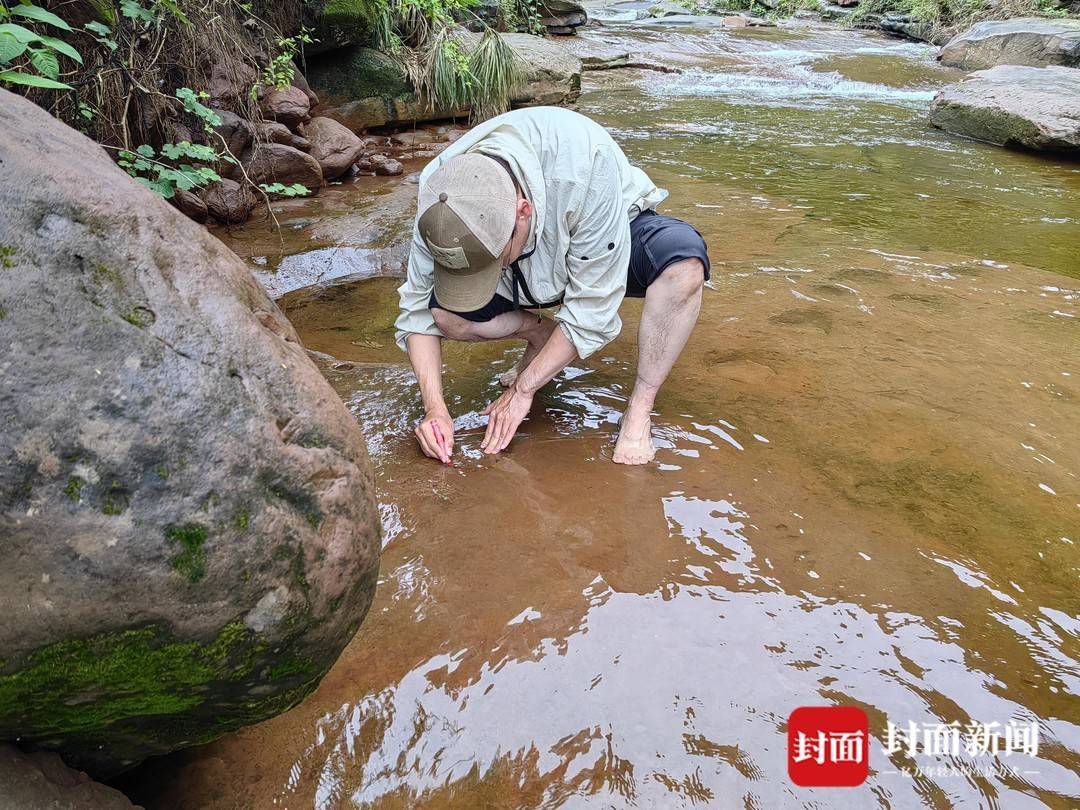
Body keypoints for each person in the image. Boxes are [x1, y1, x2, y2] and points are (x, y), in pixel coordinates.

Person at [394, 106, 710, 465]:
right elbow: (418, 310)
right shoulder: (440, 197)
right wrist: (434, 408)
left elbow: (592, 309)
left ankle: (639, 409)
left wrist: (523, 389)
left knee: (684, 266)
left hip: (607, 231)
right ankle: (540, 335)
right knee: (445, 315)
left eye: (491, 262)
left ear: (522, 211)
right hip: (527, 269)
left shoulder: (585, 166)